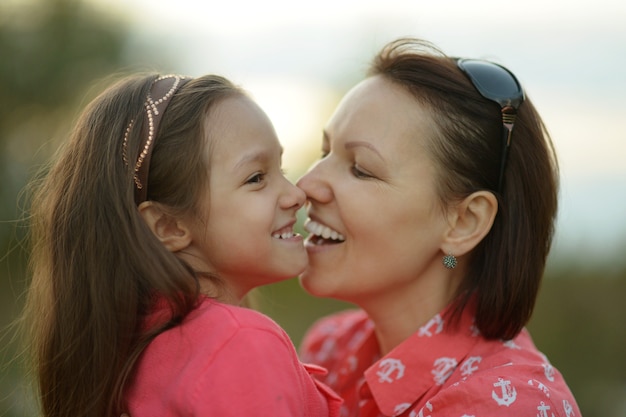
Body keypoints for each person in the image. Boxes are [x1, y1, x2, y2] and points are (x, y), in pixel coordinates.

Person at [22, 73, 340, 417]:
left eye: (281, 168)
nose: (296, 194)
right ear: (169, 226)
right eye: (256, 178)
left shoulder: (132, 353)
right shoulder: (238, 342)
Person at [297, 38, 581, 416]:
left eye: (361, 168)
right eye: (325, 152)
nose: (306, 185)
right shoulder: (331, 350)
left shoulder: (508, 404)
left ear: (464, 223)